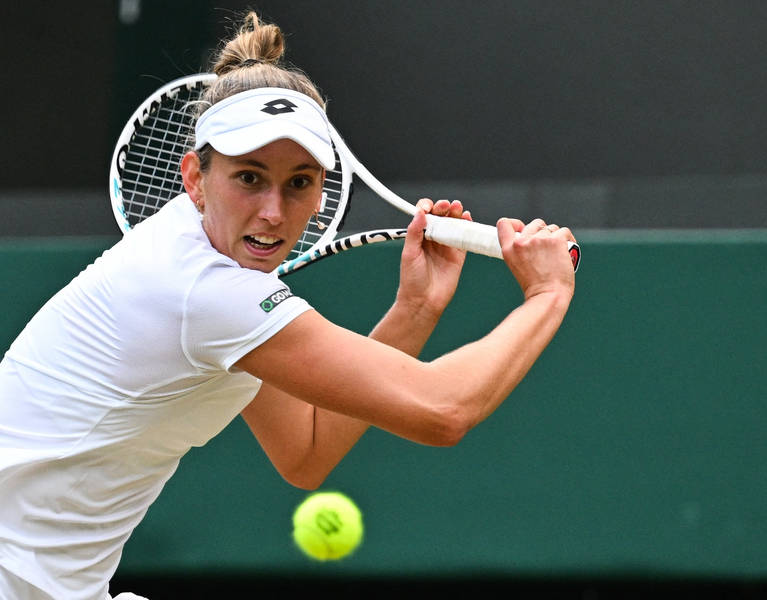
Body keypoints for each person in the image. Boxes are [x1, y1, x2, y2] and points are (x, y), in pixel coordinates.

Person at [0, 11, 576, 600]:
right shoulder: (209, 293)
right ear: (196, 177)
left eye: (299, 182)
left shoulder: (205, 270)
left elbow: (306, 451)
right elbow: (443, 411)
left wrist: (415, 310)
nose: (274, 212)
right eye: (250, 178)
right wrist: (547, 294)